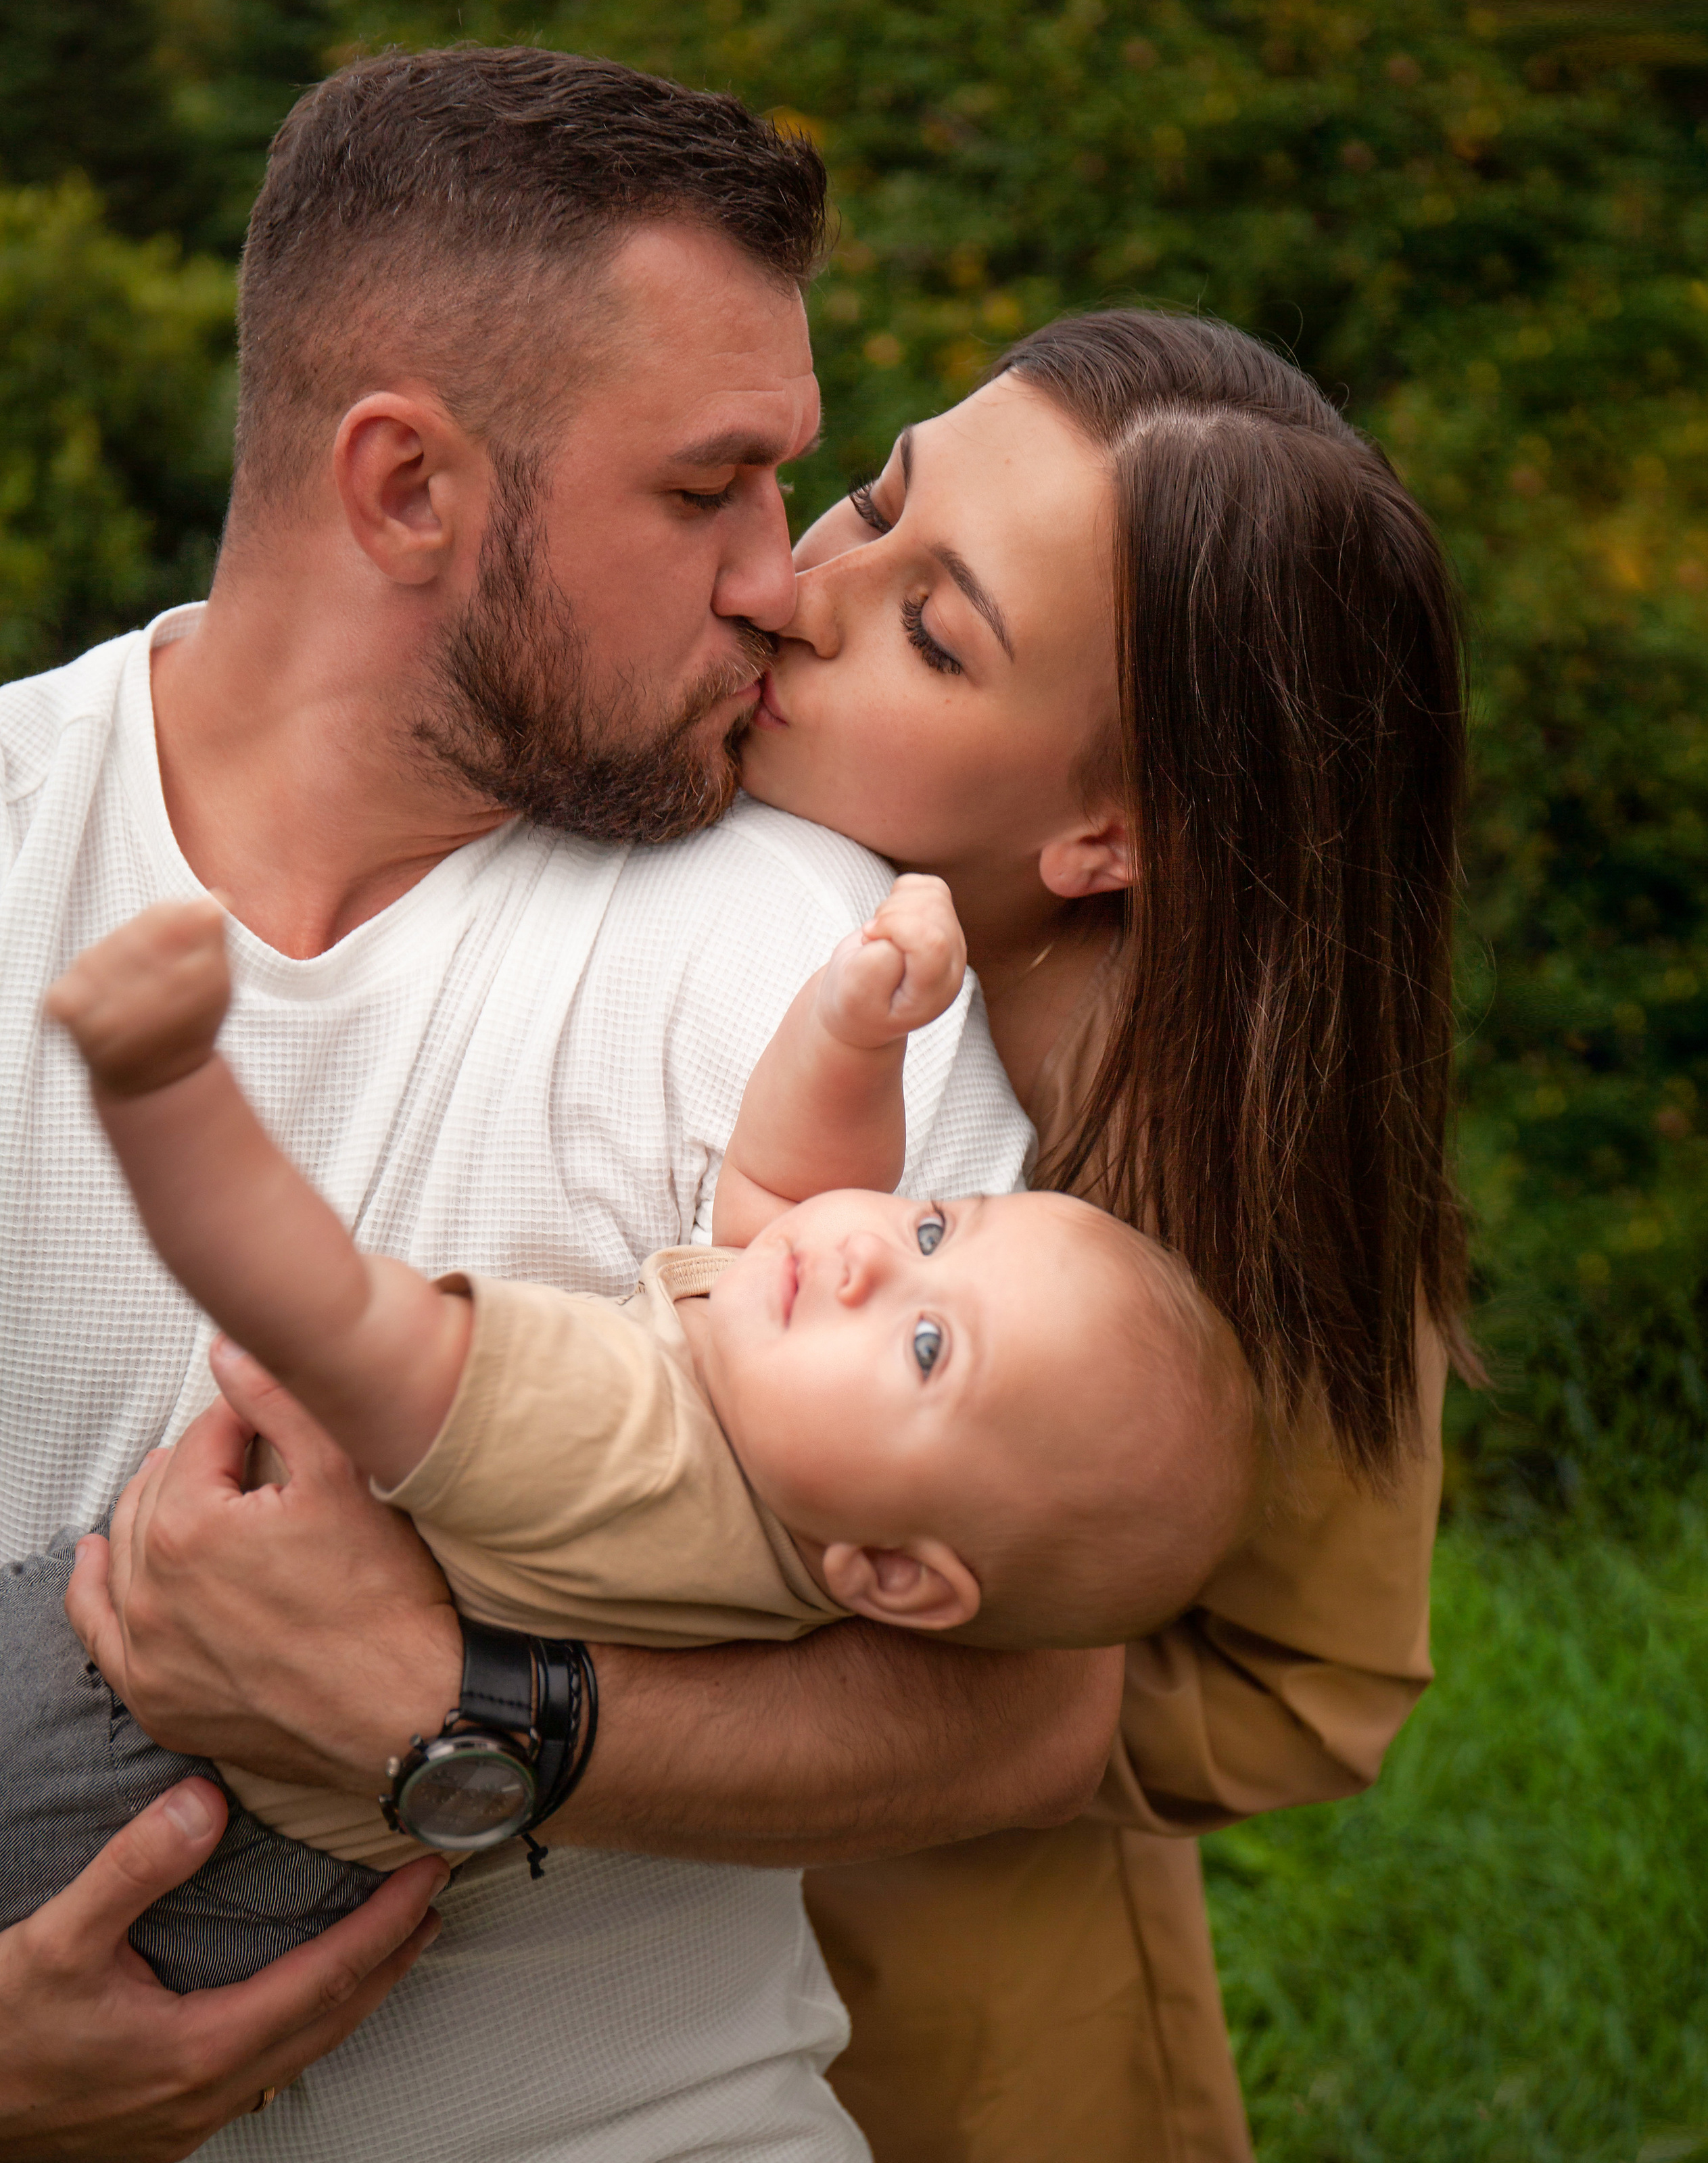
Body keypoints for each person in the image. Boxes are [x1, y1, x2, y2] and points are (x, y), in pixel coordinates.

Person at [0, 49, 1125, 2162]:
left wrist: (478, 1718)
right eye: (707, 491)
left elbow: (1029, 1706)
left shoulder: (816, 952)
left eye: (789, 483)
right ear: (405, 486)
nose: (783, 583)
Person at [15, 878, 1252, 1984]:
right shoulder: (802, 1453)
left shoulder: (631, 1443)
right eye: (939, 1226)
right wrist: (862, 1028)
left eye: (931, 1348)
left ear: (892, 1575)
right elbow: (791, 1199)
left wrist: (164, 1084)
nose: (874, 1259)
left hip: (141, 1780)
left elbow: (313, 1305)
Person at [740, 310, 1476, 2162]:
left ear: (1110, 835)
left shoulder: (1199, 1142)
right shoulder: (677, 815)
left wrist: (876, 1643)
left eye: (932, 630)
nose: (806, 589)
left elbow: (1313, 1689)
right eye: (868, 502)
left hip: (954, 2049)